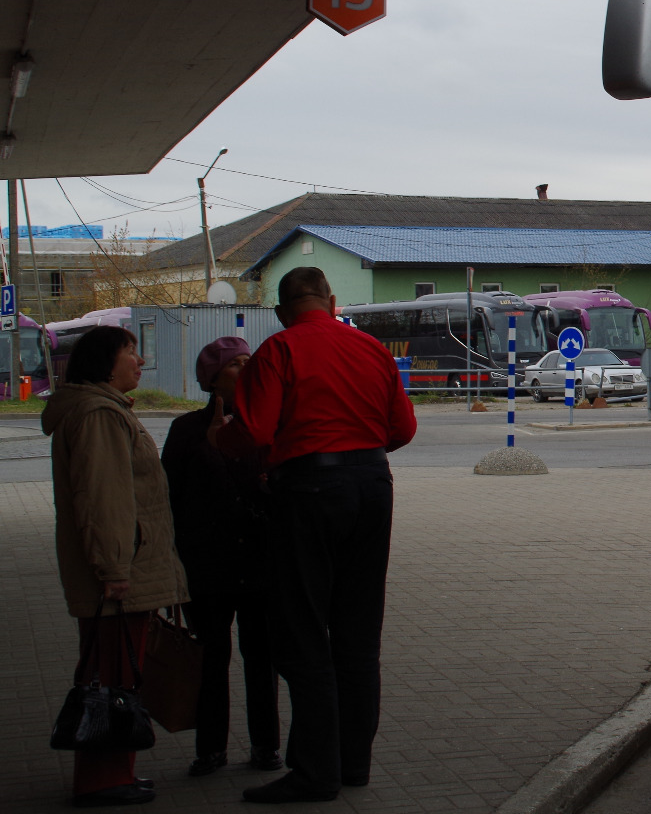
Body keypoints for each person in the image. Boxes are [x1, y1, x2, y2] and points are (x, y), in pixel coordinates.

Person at [211, 267, 417, 803]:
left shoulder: (277, 351)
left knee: (302, 631)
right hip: (373, 486)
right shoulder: (371, 348)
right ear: (330, 300)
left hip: (307, 491)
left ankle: (314, 770)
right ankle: (353, 765)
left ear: (282, 310)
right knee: (357, 630)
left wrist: (222, 440)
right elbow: (403, 429)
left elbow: (254, 431)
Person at [45, 325, 189, 807]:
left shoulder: (102, 410)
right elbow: (103, 499)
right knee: (111, 679)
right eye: (131, 353)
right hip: (117, 573)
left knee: (119, 675)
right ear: (105, 362)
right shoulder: (98, 415)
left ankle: (116, 772)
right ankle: (101, 779)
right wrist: (113, 568)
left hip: (125, 567)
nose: (139, 361)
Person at [161, 337, 282, 777]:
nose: (248, 369)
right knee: (210, 658)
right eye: (237, 364)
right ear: (213, 379)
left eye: (251, 362)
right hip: (207, 564)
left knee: (262, 658)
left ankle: (266, 745)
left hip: (259, 560)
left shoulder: (266, 423)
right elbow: (169, 498)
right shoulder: (186, 431)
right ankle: (209, 748)